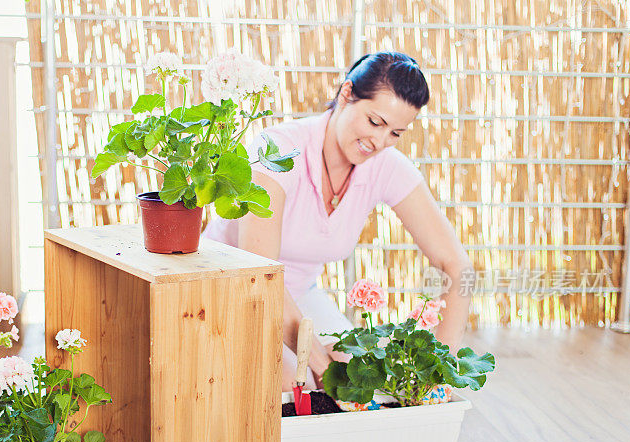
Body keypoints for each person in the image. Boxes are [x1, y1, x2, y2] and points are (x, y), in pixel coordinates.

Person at [202, 52, 473, 392]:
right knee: (297, 382)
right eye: (375, 122)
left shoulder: (386, 165)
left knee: (361, 371)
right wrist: (321, 366)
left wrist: (439, 373)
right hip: (233, 294)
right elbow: (262, 278)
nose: (379, 142)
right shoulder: (278, 150)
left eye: (396, 133)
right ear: (347, 94)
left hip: (301, 296)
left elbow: (459, 267)